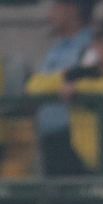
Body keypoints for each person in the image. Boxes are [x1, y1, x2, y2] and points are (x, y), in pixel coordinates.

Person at [26, 21, 103, 174]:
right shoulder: (79, 73)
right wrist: (65, 81)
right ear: (94, 46)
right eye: (102, 43)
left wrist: (77, 88)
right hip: (88, 166)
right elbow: (34, 86)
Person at [25, 0, 96, 175]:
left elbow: (83, 76)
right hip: (49, 135)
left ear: (72, 10)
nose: (51, 13)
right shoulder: (56, 47)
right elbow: (33, 86)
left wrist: (49, 83)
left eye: (56, 6)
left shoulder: (92, 44)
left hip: (76, 138)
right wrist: (62, 78)